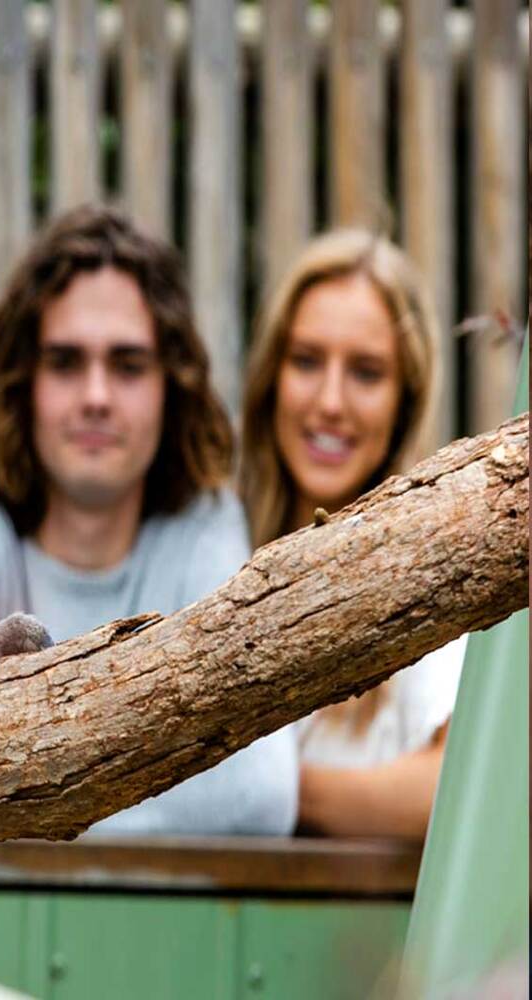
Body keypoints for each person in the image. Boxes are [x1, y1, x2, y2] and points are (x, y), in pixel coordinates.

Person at [0, 204, 298, 836]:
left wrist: (25, 791)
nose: (96, 396)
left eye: (127, 365)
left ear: (169, 386)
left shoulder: (203, 522)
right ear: (23, 378)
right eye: (66, 361)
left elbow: (257, 793)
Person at [240, 229, 464, 840]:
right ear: (272, 376)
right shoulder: (215, 544)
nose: (331, 401)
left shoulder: (438, 565)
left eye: (365, 372)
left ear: (404, 398)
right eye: (307, 361)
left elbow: (453, 788)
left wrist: (265, 788)